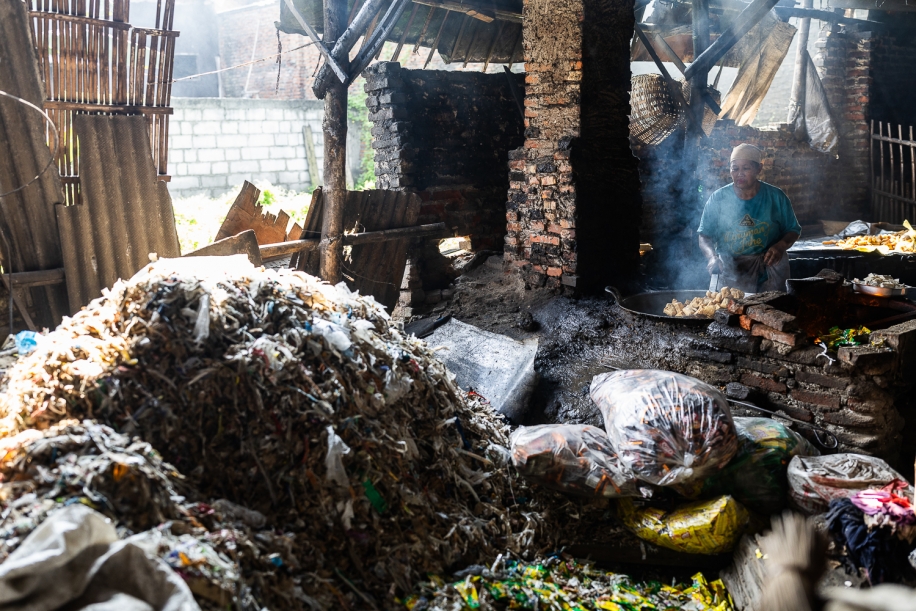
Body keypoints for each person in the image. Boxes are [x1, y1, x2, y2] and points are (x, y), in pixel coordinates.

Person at [697, 144, 801, 293]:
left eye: (746, 168)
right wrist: (712, 257)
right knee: (730, 305)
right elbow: (704, 235)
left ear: (759, 168)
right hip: (731, 268)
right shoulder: (718, 199)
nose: (740, 174)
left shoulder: (776, 197)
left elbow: (793, 230)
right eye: (735, 169)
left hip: (769, 265)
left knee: (773, 305)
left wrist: (780, 246)